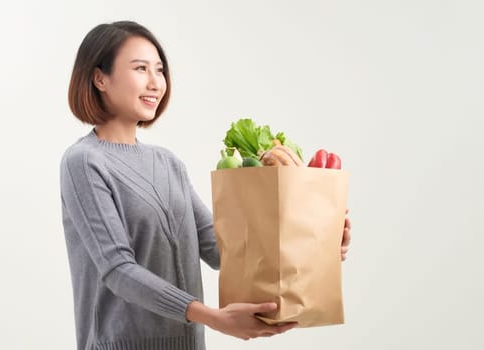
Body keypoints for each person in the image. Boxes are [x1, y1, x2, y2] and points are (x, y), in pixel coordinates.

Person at [59, 20, 352, 350]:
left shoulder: (167, 163)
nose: (156, 82)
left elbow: (221, 248)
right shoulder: (83, 161)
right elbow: (117, 270)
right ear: (100, 78)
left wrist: (313, 247)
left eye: (160, 70)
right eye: (140, 69)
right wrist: (212, 317)